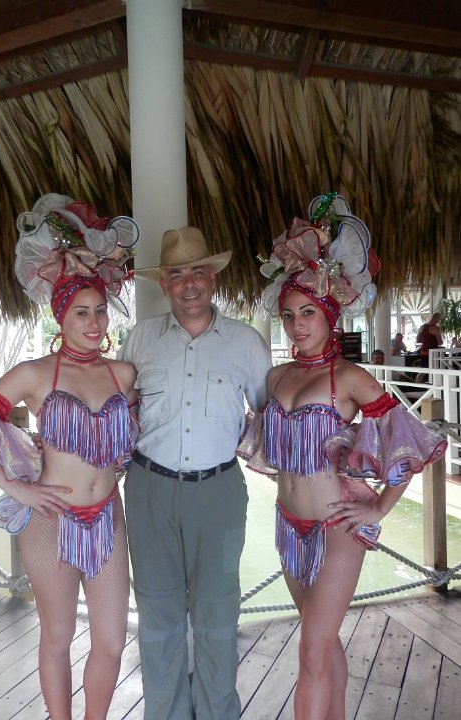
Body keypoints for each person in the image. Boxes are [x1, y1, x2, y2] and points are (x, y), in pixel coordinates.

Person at [0, 194, 140, 720]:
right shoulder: (33, 374)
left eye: (99, 311)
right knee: (57, 636)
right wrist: (15, 487)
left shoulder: (123, 375)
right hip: (49, 518)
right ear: (60, 316)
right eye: (81, 313)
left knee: (112, 642)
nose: (93, 323)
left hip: (108, 516)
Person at [239, 193, 447, 720]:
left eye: (308, 313)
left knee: (310, 651)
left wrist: (380, 506)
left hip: (336, 527)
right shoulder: (276, 377)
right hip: (288, 525)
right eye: (289, 315)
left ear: (330, 314)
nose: (297, 324)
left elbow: (408, 441)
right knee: (324, 642)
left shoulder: (350, 377)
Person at [117, 226, 272, 720]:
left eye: (197, 272)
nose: (188, 283)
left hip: (219, 493)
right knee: (157, 614)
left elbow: (271, 418)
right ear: (163, 284)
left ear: (213, 278)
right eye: (177, 274)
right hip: (149, 490)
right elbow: (117, 413)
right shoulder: (140, 339)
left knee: (218, 612)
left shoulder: (246, 343)